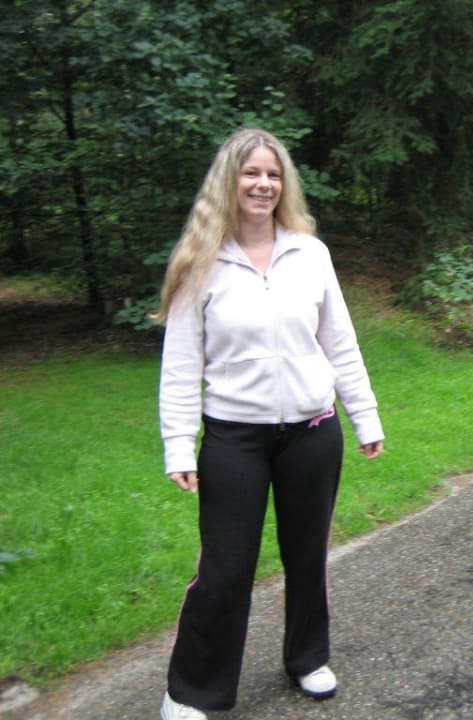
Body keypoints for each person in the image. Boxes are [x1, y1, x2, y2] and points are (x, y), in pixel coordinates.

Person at [155, 128, 384, 720]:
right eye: (251, 173)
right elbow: (181, 362)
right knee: (225, 569)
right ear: (229, 181)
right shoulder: (198, 262)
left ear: (285, 185)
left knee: (307, 555)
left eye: (274, 174)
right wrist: (179, 444)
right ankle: (192, 691)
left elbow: (340, 341)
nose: (263, 184)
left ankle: (307, 658)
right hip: (234, 438)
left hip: (312, 432)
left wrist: (365, 415)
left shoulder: (311, 254)